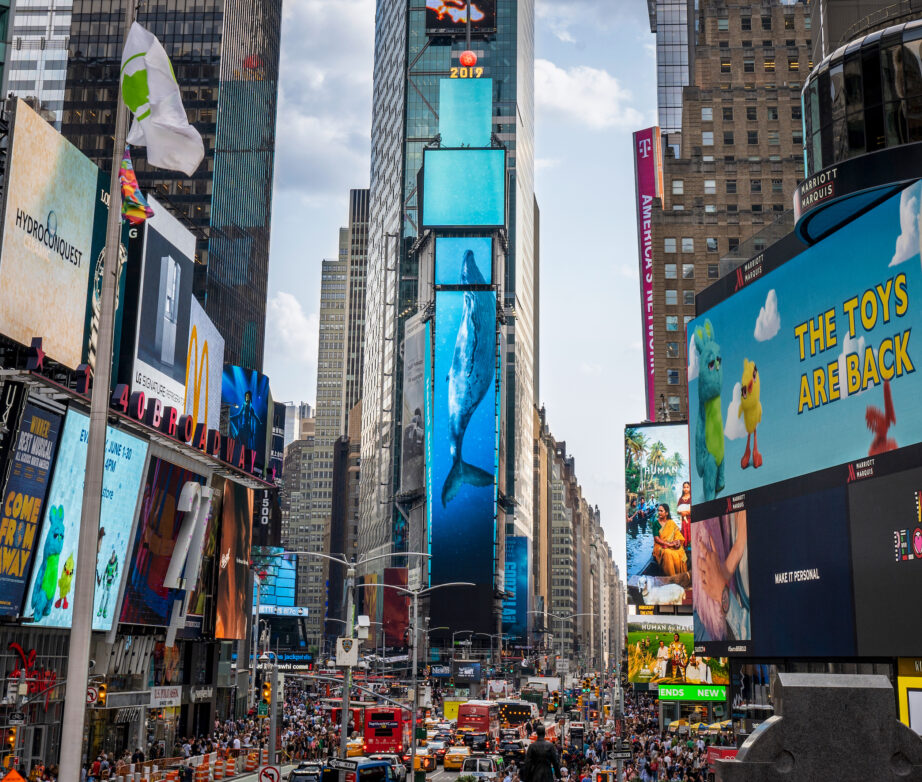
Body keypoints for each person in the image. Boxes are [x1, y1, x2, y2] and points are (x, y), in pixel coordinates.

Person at [652, 504, 687, 576]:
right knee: (668, 553)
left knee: (681, 551)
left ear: (666, 513)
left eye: (661, 511)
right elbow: (657, 539)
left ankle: (682, 575)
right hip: (660, 546)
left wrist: (677, 543)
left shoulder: (671, 523)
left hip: (672, 544)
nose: (659, 513)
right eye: (658, 511)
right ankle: (672, 577)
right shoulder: (656, 523)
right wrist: (669, 544)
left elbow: (677, 535)